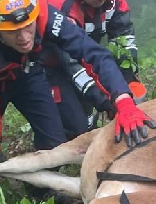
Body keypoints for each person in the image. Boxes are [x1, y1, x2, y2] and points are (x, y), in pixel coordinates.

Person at [0, 0, 154, 164]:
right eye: (13, 31)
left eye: (27, 27)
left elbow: (93, 53)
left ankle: (42, 191)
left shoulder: (43, 13)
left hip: (27, 69)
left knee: (54, 141)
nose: (23, 37)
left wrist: (121, 99)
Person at [44, 0, 141, 139]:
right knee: (76, 130)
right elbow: (71, 64)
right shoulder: (62, 6)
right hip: (51, 65)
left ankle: (89, 124)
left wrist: (129, 80)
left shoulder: (116, 3)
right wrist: (104, 100)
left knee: (117, 96)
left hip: (88, 55)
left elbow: (124, 38)